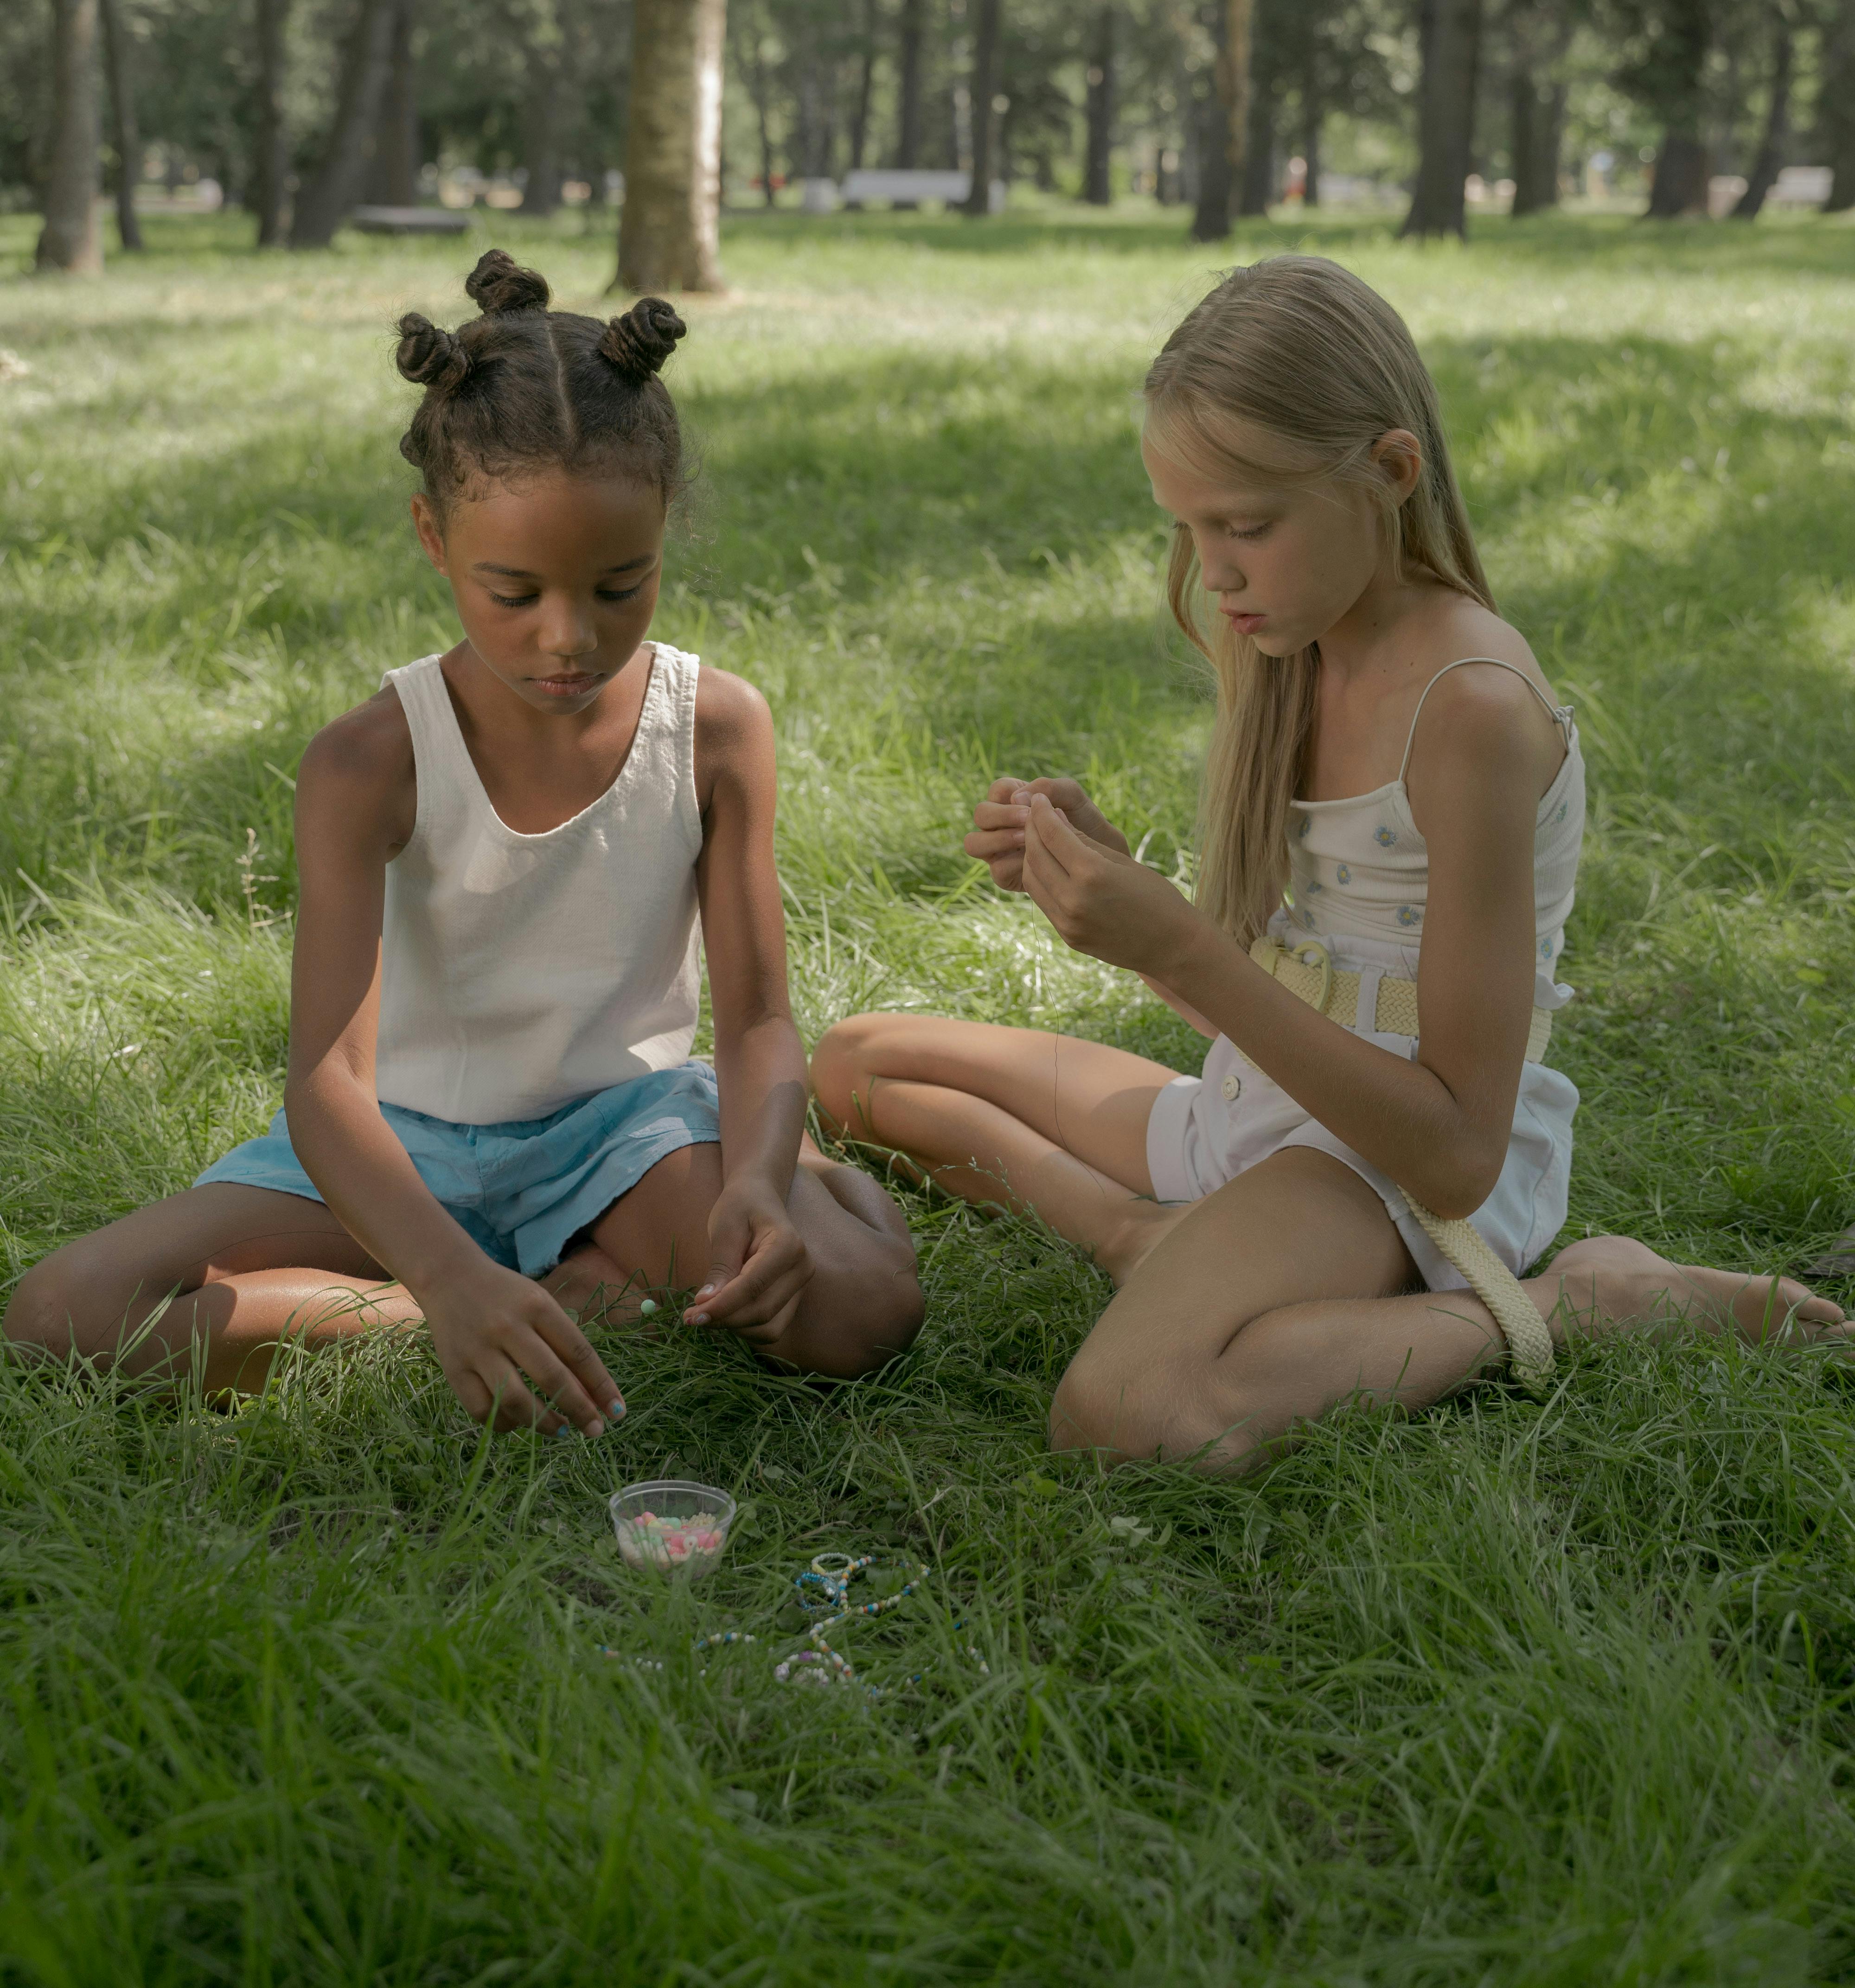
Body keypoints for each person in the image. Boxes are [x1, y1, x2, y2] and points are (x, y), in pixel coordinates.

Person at [812, 256, 1846, 1469]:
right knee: (858, 1067)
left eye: (1246, 526)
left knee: (1124, 1411)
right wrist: (1110, 899)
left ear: (1390, 473)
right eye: (1190, 528)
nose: (1215, 573)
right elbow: (1281, 992)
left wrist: (1178, 944)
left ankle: (1579, 1301)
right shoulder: (1293, 644)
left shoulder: (1467, 709)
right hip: (1255, 1106)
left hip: (1391, 1166)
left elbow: (1456, 1152)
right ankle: (1142, 1237)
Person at [8, 252, 922, 1433]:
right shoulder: (369, 762)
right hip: (402, 1148)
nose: (567, 638)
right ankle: (544, 1302)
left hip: (621, 1137)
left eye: (619, 587)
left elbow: (753, 1020)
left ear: (664, 534)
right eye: (514, 593)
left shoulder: (717, 727)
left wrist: (751, 1179)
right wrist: (442, 1280)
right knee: (64, 1315)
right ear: (433, 539)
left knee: (860, 1312)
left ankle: (615, 1262)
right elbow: (326, 1088)